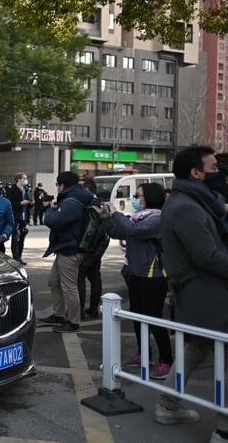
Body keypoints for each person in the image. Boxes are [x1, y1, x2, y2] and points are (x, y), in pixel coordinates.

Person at [153, 146, 228, 440]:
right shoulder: (186, 206)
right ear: (195, 173)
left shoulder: (199, 201)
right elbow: (208, 255)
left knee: (197, 349)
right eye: (213, 168)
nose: (218, 172)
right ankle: (223, 430)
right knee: (219, 353)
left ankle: (168, 405)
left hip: (204, 293)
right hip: (206, 294)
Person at [102, 182, 171, 380]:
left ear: (150, 197)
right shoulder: (137, 218)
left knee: (154, 318)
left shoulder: (156, 219)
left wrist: (115, 213)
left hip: (153, 276)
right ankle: (144, 354)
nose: (135, 199)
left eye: (138, 195)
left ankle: (166, 360)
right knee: (138, 316)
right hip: (135, 274)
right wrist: (107, 219)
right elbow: (119, 232)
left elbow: (132, 231)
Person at [38, 171, 92, 333]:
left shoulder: (71, 202)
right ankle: (59, 314)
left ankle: (74, 321)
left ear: (62, 185)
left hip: (70, 249)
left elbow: (52, 221)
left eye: (57, 185)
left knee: (69, 287)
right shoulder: (77, 196)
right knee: (53, 281)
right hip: (64, 247)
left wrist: (49, 209)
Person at [77, 176, 106, 319]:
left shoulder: (87, 203)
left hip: (87, 246)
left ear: (87, 188)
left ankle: (80, 311)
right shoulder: (101, 202)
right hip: (99, 245)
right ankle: (94, 308)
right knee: (95, 277)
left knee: (80, 277)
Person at [6, 172, 33, 264]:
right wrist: (20, 203)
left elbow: (27, 203)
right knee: (15, 238)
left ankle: (19, 256)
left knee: (22, 238)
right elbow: (9, 204)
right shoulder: (12, 190)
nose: (25, 180)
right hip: (16, 217)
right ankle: (16, 257)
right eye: (24, 178)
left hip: (24, 218)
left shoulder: (25, 190)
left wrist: (30, 203)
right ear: (18, 179)